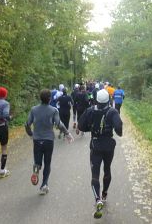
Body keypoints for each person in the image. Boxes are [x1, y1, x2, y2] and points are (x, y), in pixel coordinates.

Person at [77, 89, 123, 219]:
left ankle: (97, 199)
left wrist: (90, 127)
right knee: (107, 169)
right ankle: (104, 194)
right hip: (109, 145)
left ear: (96, 100)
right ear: (109, 100)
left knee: (95, 174)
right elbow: (119, 127)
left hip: (95, 145)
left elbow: (81, 126)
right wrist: (118, 131)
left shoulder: (90, 110)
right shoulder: (112, 111)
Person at [25, 89, 74, 194]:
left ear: (40, 98)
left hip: (37, 140)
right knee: (47, 163)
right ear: (50, 99)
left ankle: (36, 170)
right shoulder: (53, 110)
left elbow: (27, 124)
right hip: (48, 140)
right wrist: (67, 133)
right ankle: (44, 185)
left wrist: (31, 135)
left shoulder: (33, 110)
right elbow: (59, 124)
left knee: (38, 161)